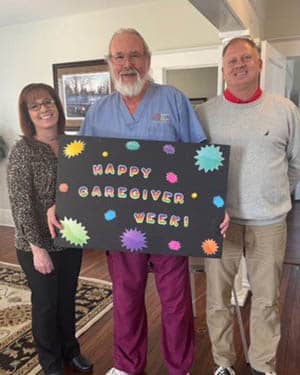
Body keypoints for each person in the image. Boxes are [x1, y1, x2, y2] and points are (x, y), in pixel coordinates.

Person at [47, 28, 229, 375]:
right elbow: (80, 168)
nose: (127, 64)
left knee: (175, 303)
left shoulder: (174, 100)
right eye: (119, 57)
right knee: (127, 299)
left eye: (135, 55)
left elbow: (200, 158)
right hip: (118, 228)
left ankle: (179, 367)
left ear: (147, 59)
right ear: (109, 63)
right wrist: (63, 203)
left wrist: (216, 205)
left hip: (168, 226)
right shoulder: (98, 111)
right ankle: (128, 366)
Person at [196, 37, 300, 375]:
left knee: (267, 299)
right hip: (219, 223)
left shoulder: (285, 109)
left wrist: (274, 194)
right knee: (217, 299)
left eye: (246, 58)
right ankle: (223, 362)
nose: (239, 65)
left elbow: (295, 162)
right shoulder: (205, 114)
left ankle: (262, 364)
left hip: (269, 222)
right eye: (232, 61)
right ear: (223, 70)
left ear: (258, 64)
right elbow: (193, 166)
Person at [7, 83, 93, 375]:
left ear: (57, 105)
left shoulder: (74, 145)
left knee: (67, 299)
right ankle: (50, 362)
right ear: (27, 114)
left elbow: (84, 189)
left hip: (70, 238)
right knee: (45, 305)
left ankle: (71, 351)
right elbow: (21, 205)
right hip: (36, 244)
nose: (44, 109)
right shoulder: (22, 153)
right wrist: (37, 249)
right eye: (35, 106)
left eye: (48, 102)